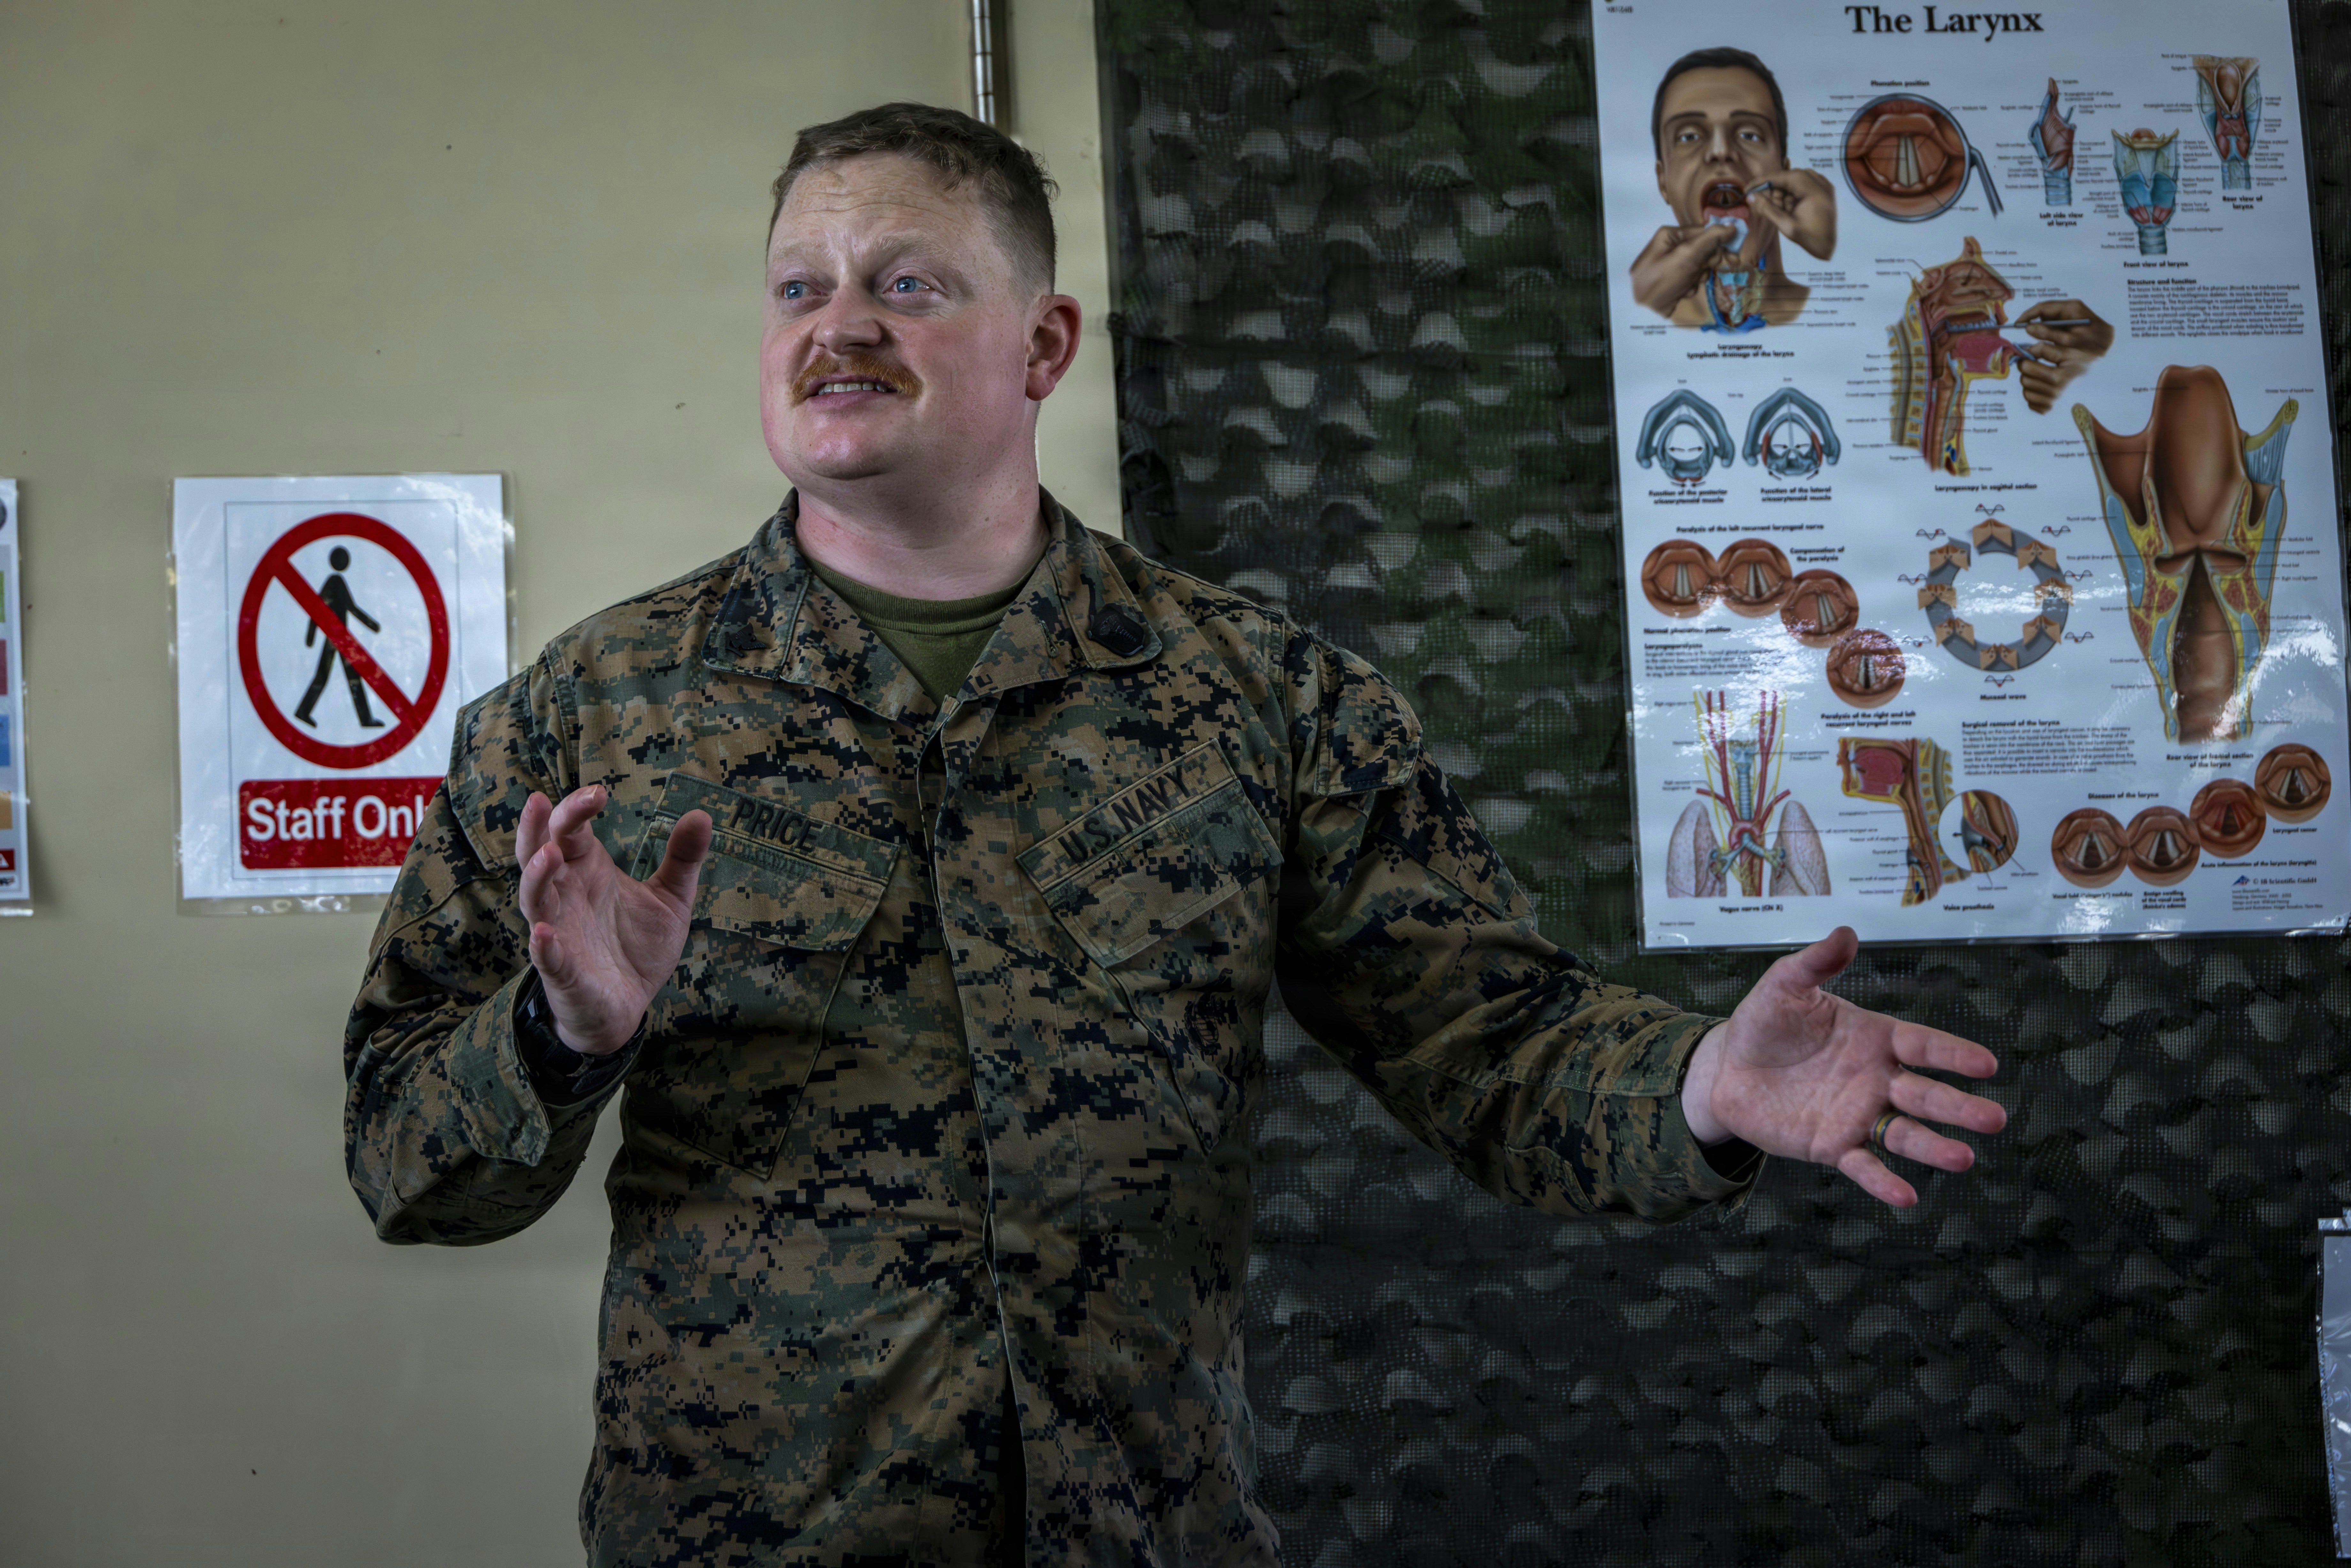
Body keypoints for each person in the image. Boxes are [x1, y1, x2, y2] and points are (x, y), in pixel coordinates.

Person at [344, 103, 2006, 1566]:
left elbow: (1488, 1039)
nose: (837, 324)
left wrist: (1701, 1083)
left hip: (1142, 1520)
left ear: (1045, 341)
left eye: (906, 281)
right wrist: (558, 1035)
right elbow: (407, 1162)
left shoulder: (1261, 696)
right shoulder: (594, 714)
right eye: (801, 285)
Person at [1630, 47, 1837, 330]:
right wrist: (1640, 310)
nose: (1721, 151)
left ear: (1785, 175)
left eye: (1750, 134)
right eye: (1689, 136)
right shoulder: (1646, 315)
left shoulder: (1830, 315)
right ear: (1662, 181)